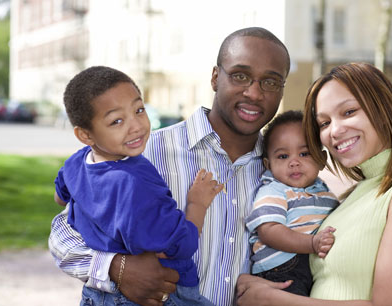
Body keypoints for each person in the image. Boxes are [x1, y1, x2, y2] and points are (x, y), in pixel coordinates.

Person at [48, 27, 291, 306]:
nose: (254, 93)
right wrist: (118, 268)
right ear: (215, 77)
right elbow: (62, 237)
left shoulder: (281, 172)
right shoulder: (141, 152)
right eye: (240, 76)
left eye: (271, 82)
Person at [236, 62, 392, 306]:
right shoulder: (352, 195)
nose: (335, 130)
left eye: (348, 112)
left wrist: (272, 299)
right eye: (324, 123)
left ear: (383, 109)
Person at [53, 66, 223, 306]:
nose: (136, 126)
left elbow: (60, 197)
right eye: (117, 121)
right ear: (86, 135)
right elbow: (181, 245)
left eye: (139, 110)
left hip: (97, 296)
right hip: (162, 292)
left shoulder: (75, 163)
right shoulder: (135, 182)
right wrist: (197, 204)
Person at [245, 110, 338, 296]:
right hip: (281, 271)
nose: (294, 162)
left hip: (312, 269)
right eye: (283, 156)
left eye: (304, 153)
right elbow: (269, 231)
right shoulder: (274, 190)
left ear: (321, 159)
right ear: (268, 164)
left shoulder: (326, 194)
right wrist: (312, 243)